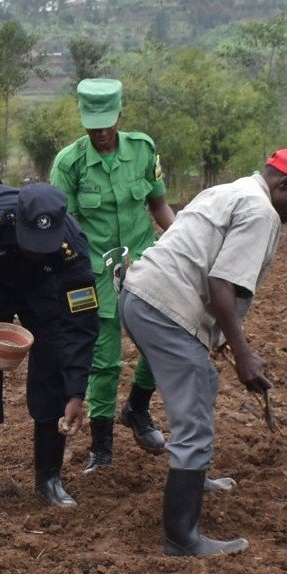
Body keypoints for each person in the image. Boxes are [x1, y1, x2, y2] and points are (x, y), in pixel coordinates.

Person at [120, 149, 287, 556]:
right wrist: (243, 353)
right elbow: (221, 285)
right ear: (283, 185)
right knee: (194, 419)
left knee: (203, 382)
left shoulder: (227, 190)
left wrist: (226, 342)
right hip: (167, 308)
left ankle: (192, 475)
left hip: (138, 295)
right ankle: (182, 538)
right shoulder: (262, 211)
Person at [0, 183, 97, 510]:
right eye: (31, 242)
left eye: (45, 245)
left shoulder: (73, 248)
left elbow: (80, 324)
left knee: (54, 363)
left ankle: (49, 479)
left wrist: (75, 392)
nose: (36, 250)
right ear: (17, 221)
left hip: (43, 288)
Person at [50, 78, 176, 473]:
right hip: (94, 277)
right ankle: (101, 447)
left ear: (120, 115)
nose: (101, 133)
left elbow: (159, 207)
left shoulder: (143, 151)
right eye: (93, 125)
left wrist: (183, 250)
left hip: (145, 266)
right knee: (103, 363)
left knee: (162, 341)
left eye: (107, 123)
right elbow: (60, 229)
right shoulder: (68, 164)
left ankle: (137, 407)